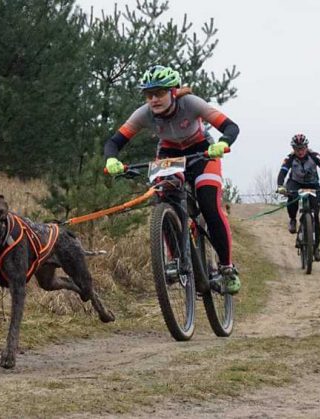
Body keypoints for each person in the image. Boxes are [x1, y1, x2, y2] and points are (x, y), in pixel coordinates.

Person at [103, 64, 241, 294]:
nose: (154, 99)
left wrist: (223, 142)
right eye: (149, 95)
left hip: (202, 153)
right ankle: (176, 259)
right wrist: (110, 160)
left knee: (209, 205)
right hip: (170, 155)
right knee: (164, 199)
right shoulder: (144, 114)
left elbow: (230, 126)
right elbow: (114, 142)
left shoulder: (191, 103)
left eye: (159, 93)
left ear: (173, 92)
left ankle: (227, 268)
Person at [275, 134, 320, 262]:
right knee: (291, 198)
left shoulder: (315, 156)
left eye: (302, 148)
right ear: (293, 149)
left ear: (306, 147)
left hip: (313, 184)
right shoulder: (289, 158)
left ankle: (316, 248)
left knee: (316, 218)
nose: (300, 151)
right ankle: (292, 219)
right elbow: (282, 172)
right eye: (297, 149)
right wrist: (280, 186)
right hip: (295, 183)